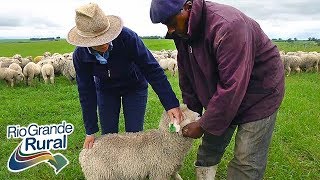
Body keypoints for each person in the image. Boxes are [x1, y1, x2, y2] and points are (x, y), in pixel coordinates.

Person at [150, 0, 285, 179]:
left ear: (188, 7)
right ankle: (205, 174)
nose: (170, 30)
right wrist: (193, 111)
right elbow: (187, 72)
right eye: (165, 24)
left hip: (259, 93)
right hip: (225, 91)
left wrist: (203, 124)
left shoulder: (228, 27)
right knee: (210, 145)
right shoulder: (182, 32)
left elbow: (232, 86)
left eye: (171, 22)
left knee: (247, 158)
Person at [67, 3, 183, 149]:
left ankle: (134, 170)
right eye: (97, 41)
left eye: (106, 36)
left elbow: (152, 69)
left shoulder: (127, 38)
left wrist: (171, 103)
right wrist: (90, 130)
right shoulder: (80, 55)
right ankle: (112, 170)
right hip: (106, 90)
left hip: (134, 87)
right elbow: (86, 91)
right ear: (86, 41)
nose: (104, 44)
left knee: (134, 135)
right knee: (108, 136)